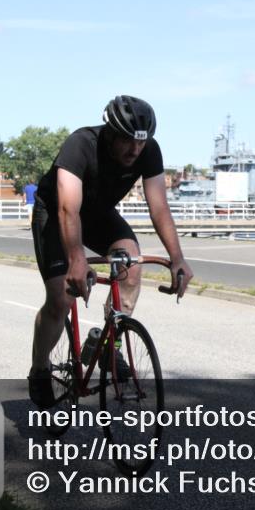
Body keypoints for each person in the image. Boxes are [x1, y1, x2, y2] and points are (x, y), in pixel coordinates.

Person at [27, 96, 193, 408]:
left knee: (131, 264)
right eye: (128, 142)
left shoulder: (148, 151)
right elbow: (67, 208)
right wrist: (76, 260)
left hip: (98, 213)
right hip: (56, 214)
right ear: (111, 133)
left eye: (141, 144)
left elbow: (159, 206)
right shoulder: (80, 144)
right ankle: (39, 369)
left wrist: (178, 258)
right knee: (62, 298)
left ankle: (106, 344)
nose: (135, 150)